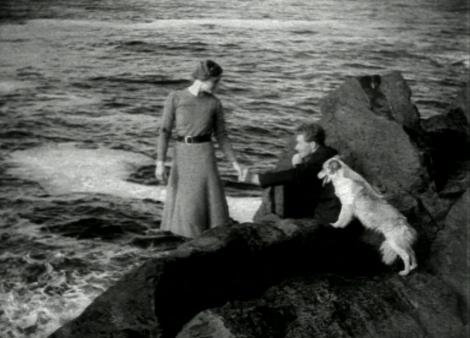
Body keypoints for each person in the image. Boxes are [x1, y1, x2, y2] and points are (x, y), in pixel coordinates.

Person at [155, 60, 244, 238]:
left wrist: (235, 162)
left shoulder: (215, 103)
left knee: (208, 198)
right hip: (182, 154)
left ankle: (208, 238)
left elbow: (222, 135)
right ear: (203, 78)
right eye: (215, 81)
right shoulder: (176, 97)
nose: (218, 85)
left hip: (205, 155)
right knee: (187, 201)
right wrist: (160, 162)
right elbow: (164, 131)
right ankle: (186, 239)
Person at [241, 122, 341, 224]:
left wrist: (257, 179)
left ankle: (290, 221)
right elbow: (307, 174)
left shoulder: (323, 156)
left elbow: (298, 174)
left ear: (312, 144)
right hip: (323, 208)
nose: (296, 147)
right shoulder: (326, 153)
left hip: (327, 215)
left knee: (290, 180)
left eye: (300, 143)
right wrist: (298, 165)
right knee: (292, 181)